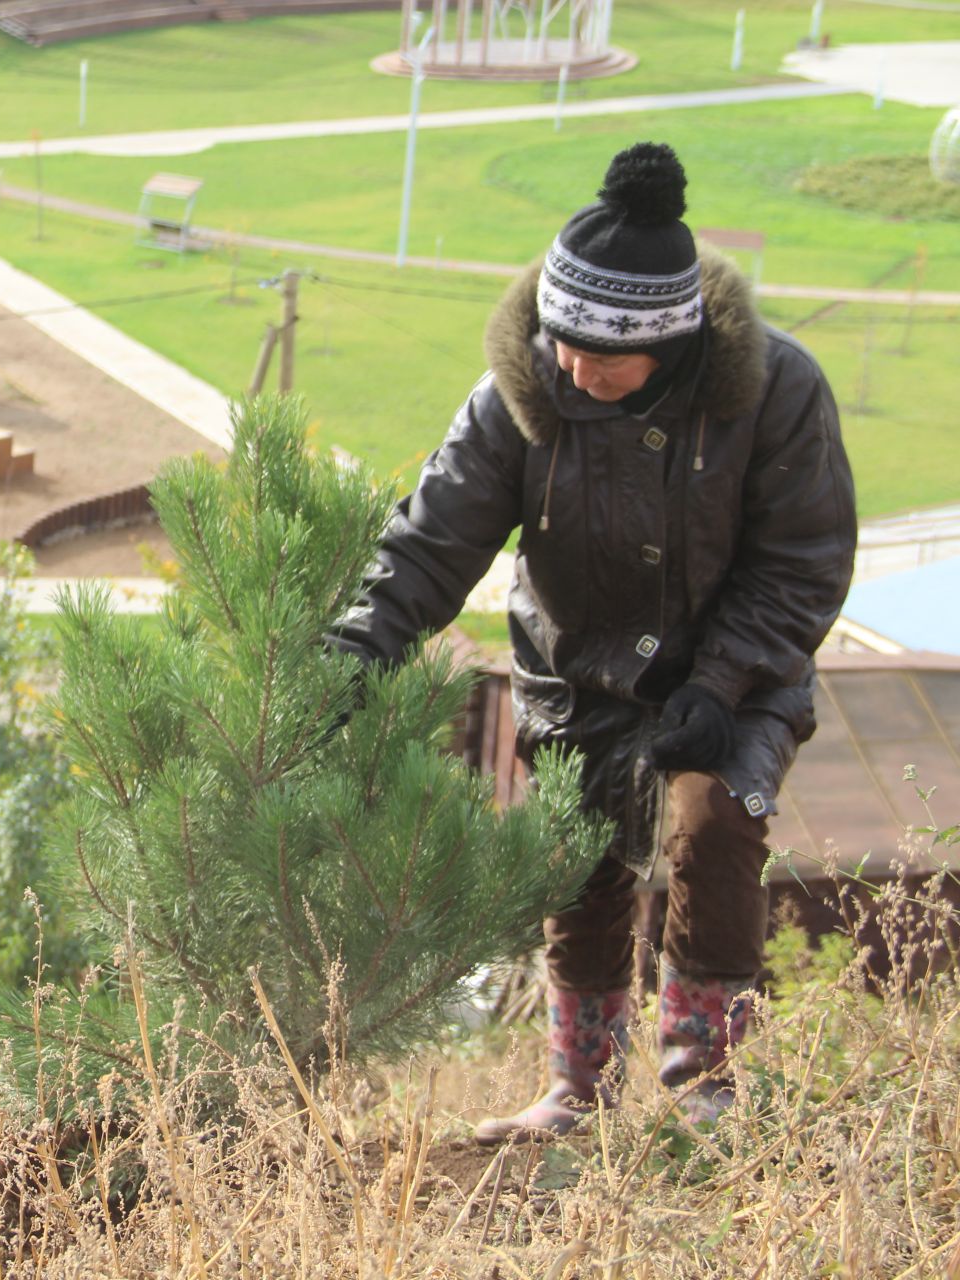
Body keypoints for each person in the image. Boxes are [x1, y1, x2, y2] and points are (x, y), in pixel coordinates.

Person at [330, 142, 855, 1141]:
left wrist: (719, 682)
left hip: (731, 677)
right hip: (576, 676)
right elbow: (434, 541)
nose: (573, 368)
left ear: (672, 346)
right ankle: (579, 1089)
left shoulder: (776, 392)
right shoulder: (521, 401)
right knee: (574, 865)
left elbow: (806, 558)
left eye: (602, 356)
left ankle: (707, 1083)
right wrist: (361, 645)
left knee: (712, 828)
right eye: (561, 345)